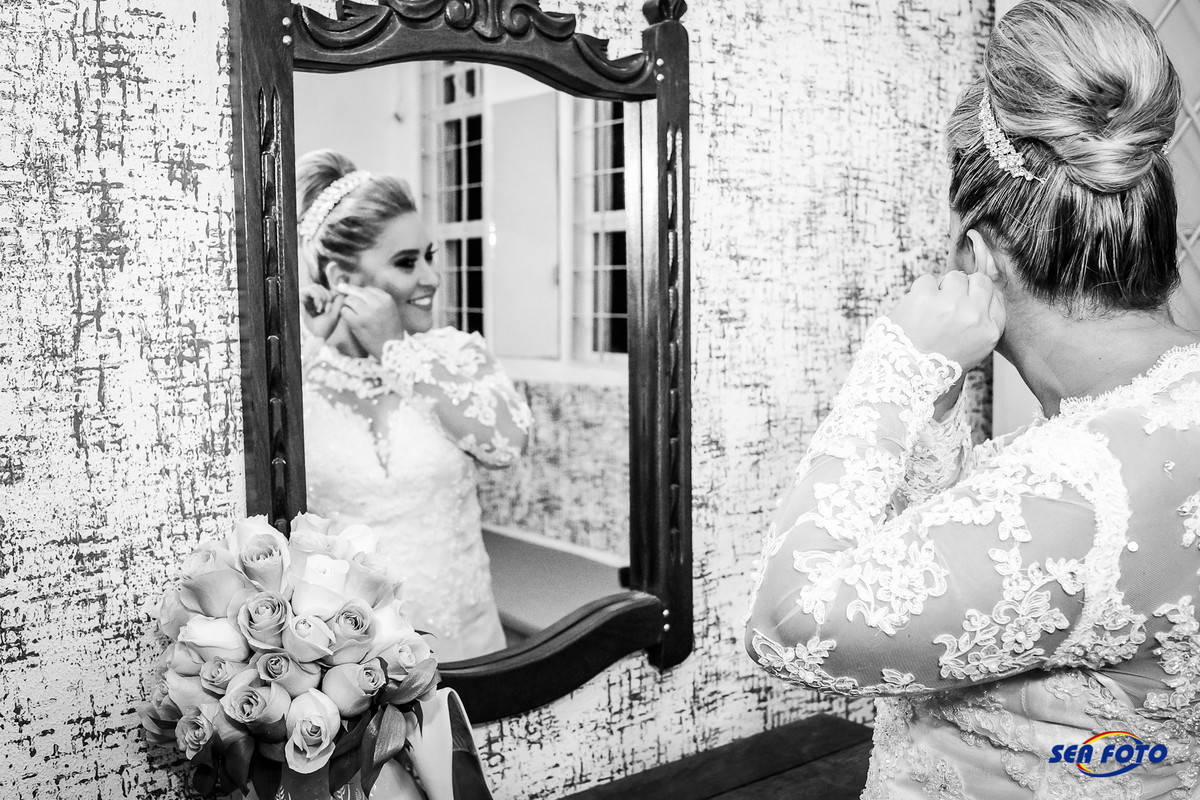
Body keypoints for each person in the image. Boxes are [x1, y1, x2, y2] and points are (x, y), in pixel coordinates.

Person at [746, 1, 1200, 797]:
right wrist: (937, 405)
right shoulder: (1155, 417)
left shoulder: (1076, 487)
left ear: (976, 255)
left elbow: (786, 624)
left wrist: (896, 367)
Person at [296, 149, 532, 662]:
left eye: (430, 256)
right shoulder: (301, 373)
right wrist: (309, 347)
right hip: (348, 662)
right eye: (407, 262)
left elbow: (506, 447)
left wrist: (395, 351)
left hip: (470, 640)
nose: (431, 277)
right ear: (340, 278)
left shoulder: (456, 356)